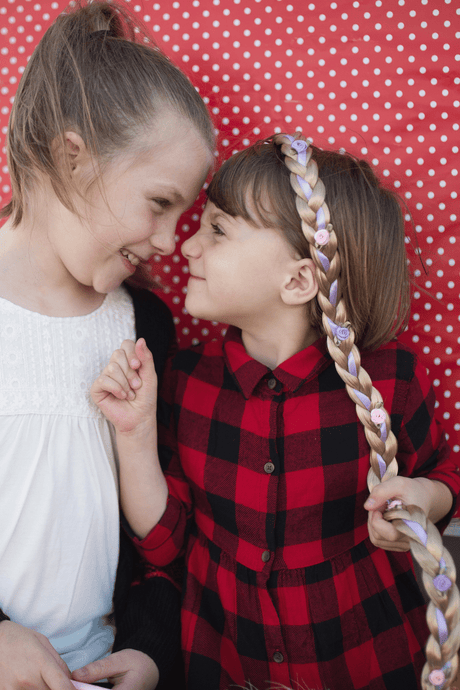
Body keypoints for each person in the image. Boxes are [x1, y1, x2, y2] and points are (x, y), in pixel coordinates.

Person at [91, 134, 460, 690]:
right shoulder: (185, 380)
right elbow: (165, 543)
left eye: (217, 229)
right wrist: (136, 432)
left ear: (297, 280)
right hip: (225, 662)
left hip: (367, 657)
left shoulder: (389, 379)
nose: (185, 247)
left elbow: (444, 475)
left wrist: (423, 499)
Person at [0, 1, 214, 688]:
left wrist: (152, 648)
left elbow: (161, 535)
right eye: (160, 202)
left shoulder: (144, 325)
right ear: (73, 157)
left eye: (185, 217)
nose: (167, 241)